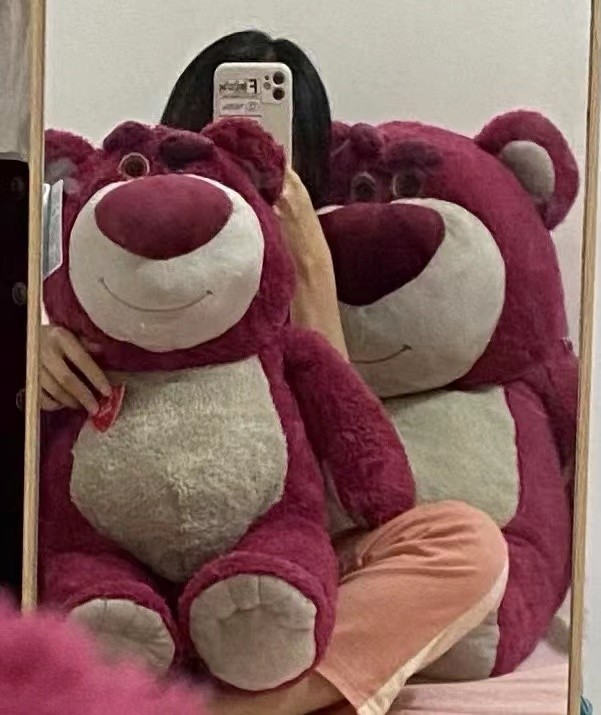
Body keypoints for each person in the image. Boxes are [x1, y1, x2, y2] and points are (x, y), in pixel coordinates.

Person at [39, 31, 508, 715]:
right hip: (121, 545)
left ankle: (231, 706)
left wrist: (310, 264)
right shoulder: (110, 233)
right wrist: (33, 351)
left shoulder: (323, 242)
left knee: (467, 543)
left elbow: (350, 455)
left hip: (280, 549)